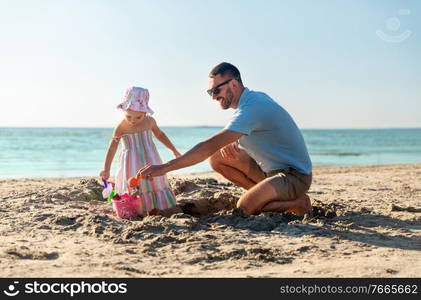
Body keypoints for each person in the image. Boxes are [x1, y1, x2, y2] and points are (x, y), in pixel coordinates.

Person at [138, 63, 313, 216]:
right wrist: (234, 142)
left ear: (234, 84)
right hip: (270, 171)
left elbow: (208, 146)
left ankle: (298, 203)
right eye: (210, 92)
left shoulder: (252, 108)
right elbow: (262, 134)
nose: (213, 96)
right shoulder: (252, 100)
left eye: (216, 90)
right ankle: (261, 195)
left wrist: (165, 167)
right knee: (218, 159)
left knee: (243, 208)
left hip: (293, 176)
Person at [99, 86, 181, 214]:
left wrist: (173, 150)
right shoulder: (121, 127)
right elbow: (112, 147)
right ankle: (135, 208)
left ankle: (155, 207)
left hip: (150, 158)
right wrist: (106, 168)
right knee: (134, 185)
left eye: (138, 117)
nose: (132, 121)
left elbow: (160, 135)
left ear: (145, 112)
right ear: (124, 110)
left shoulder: (149, 121)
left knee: (154, 182)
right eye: (129, 116)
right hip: (130, 162)